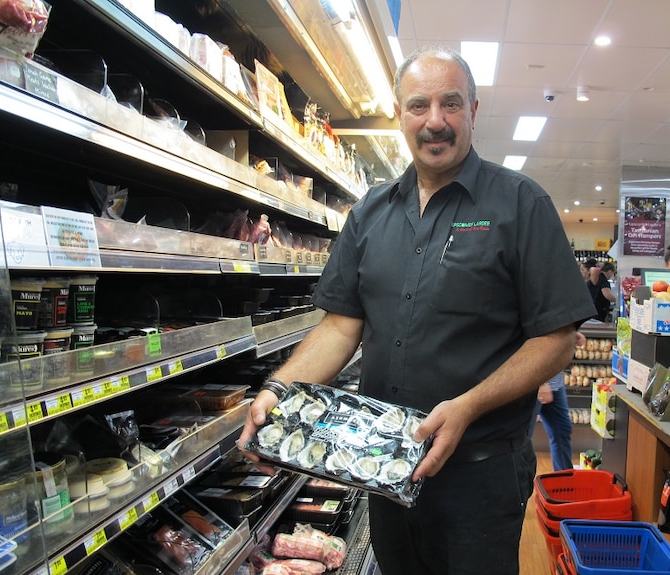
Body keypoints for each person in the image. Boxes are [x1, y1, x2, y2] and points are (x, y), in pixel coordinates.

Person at [238, 46, 596, 574]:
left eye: (450, 104)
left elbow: (556, 340)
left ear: (474, 111)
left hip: (480, 475)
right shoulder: (370, 212)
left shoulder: (520, 204)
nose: (435, 121)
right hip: (384, 470)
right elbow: (340, 327)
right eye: (418, 105)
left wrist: (468, 405)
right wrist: (279, 389)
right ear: (400, 114)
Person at [527, 331, 586, 471]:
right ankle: (518, 486)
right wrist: (540, 382)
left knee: (562, 430)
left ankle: (564, 481)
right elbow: (530, 339)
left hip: (554, 382)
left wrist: (569, 335)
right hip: (534, 383)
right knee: (523, 438)